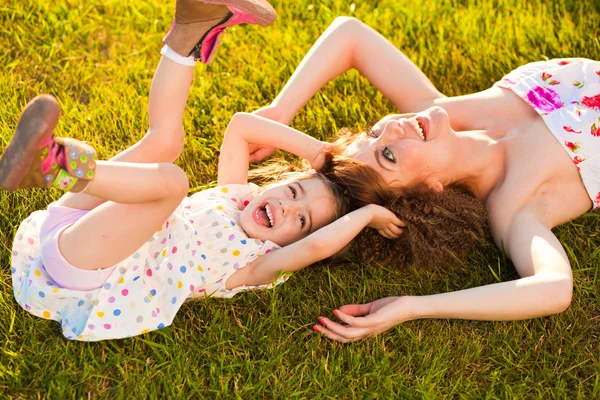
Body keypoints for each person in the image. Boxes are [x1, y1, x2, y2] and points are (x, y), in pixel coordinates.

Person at [0, 4, 405, 341]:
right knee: (164, 142)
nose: (285, 207)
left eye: (301, 221)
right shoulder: (235, 196)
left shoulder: (256, 265)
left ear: (296, 243)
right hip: (72, 225)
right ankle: (189, 31)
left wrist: (367, 215)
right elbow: (241, 126)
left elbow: (317, 248)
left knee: (173, 182)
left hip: (87, 268)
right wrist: (316, 152)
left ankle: (56, 164)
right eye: (294, 192)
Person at [248, 16, 600, 341]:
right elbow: (554, 288)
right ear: (429, 191)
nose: (391, 128)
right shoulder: (515, 204)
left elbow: (349, 33)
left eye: (372, 134)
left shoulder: (437, 108)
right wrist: (415, 306)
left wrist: (281, 110)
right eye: (388, 155)